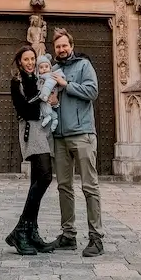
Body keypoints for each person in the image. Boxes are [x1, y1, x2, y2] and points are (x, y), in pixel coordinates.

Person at [48, 27, 104, 257]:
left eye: (64, 45)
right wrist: (50, 100)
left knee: (89, 186)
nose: (61, 49)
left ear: (71, 46)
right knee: (63, 187)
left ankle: (96, 238)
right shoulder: (52, 69)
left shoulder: (84, 65)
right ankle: (68, 235)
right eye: (58, 46)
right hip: (60, 137)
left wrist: (65, 84)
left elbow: (92, 91)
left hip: (82, 133)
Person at [6, 44, 56, 256]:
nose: (30, 63)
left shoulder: (37, 79)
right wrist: (42, 100)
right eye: (26, 59)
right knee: (45, 177)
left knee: (37, 178)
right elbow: (25, 109)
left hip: (42, 130)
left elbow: (47, 101)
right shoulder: (17, 82)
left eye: (32, 59)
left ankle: (31, 232)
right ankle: (21, 229)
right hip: (30, 131)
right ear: (19, 62)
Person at [31, 54, 65, 132]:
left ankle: (47, 117)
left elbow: (48, 85)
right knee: (47, 108)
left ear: (50, 67)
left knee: (44, 105)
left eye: (46, 67)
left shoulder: (50, 76)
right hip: (47, 97)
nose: (44, 69)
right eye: (41, 67)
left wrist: (45, 95)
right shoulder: (39, 77)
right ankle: (54, 119)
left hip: (46, 95)